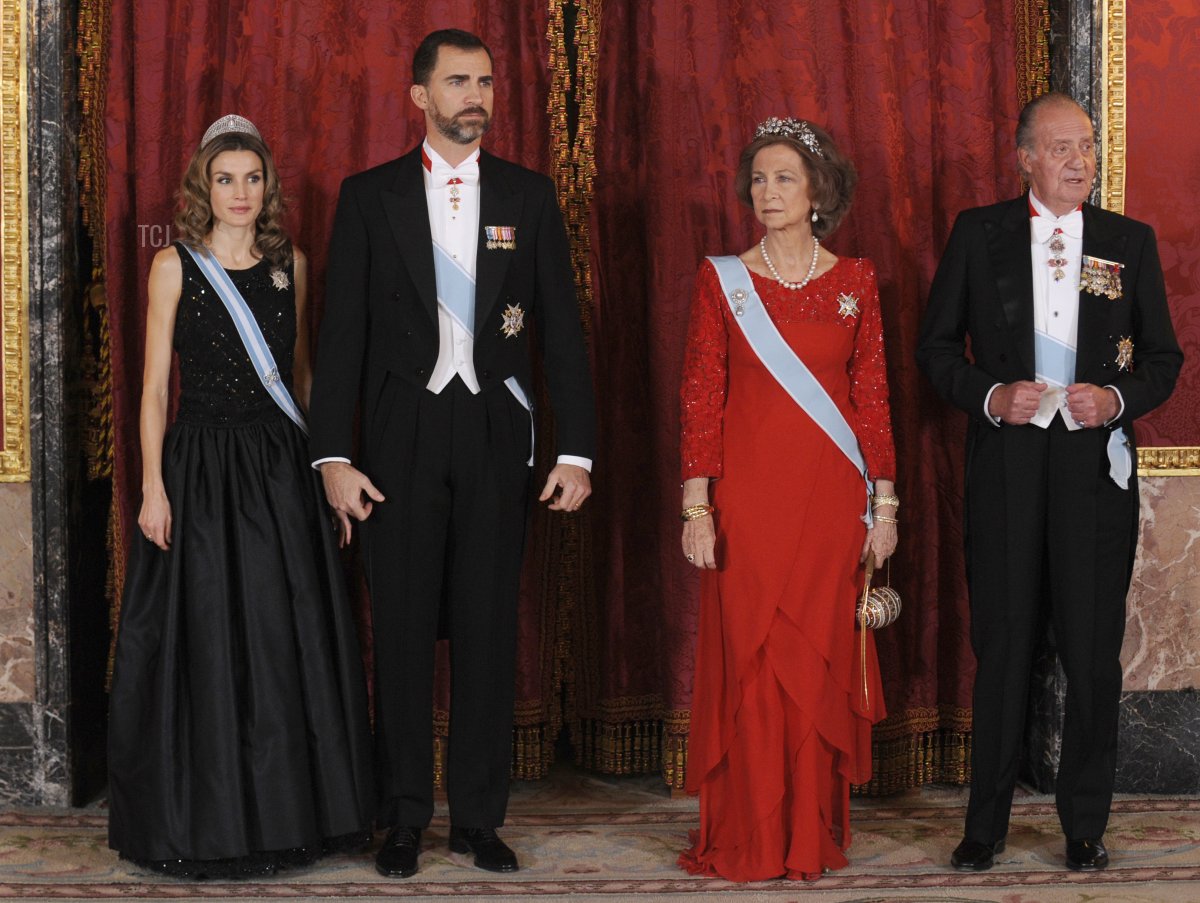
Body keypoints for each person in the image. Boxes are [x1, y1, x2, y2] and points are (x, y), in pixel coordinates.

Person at [308, 29, 595, 879]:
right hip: (398, 436)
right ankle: (401, 817)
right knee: (397, 632)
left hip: (494, 434)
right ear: (419, 96)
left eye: (487, 81)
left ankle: (477, 816)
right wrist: (333, 457)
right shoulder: (368, 197)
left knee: (484, 628)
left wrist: (575, 450)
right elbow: (342, 336)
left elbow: (566, 341)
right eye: (458, 80)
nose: (477, 94)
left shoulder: (530, 196)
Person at [917, 92, 1182, 873]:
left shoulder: (1127, 241)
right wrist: (992, 396)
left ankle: (1084, 826)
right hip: (1006, 466)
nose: (1080, 161)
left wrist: (1119, 397)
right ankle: (985, 826)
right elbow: (935, 349)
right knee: (1002, 646)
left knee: (1094, 654)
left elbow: (1164, 359)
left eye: (1088, 146)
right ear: (1025, 156)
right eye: (1062, 147)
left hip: (1093, 474)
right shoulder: (979, 233)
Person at [107, 115, 374, 878]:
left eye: (252, 178)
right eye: (225, 178)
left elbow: (305, 378)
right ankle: (211, 816)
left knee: (283, 638)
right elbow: (154, 390)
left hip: (281, 467)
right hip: (201, 471)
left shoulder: (293, 260)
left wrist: (327, 472)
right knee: (211, 637)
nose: (240, 192)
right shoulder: (174, 266)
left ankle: (293, 815)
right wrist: (153, 486)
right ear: (204, 186)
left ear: (268, 186)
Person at [678, 117, 898, 881]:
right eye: (759, 179)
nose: (767, 193)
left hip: (832, 500)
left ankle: (809, 833)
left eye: (785, 179)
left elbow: (872, 399)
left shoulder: (856, 281)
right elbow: (702, 394)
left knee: (815, 661)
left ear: (818, 191)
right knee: (756, 661)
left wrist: (888, 506)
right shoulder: (723, 280)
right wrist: (696, 507)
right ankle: (752, 830)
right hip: (748, 500)